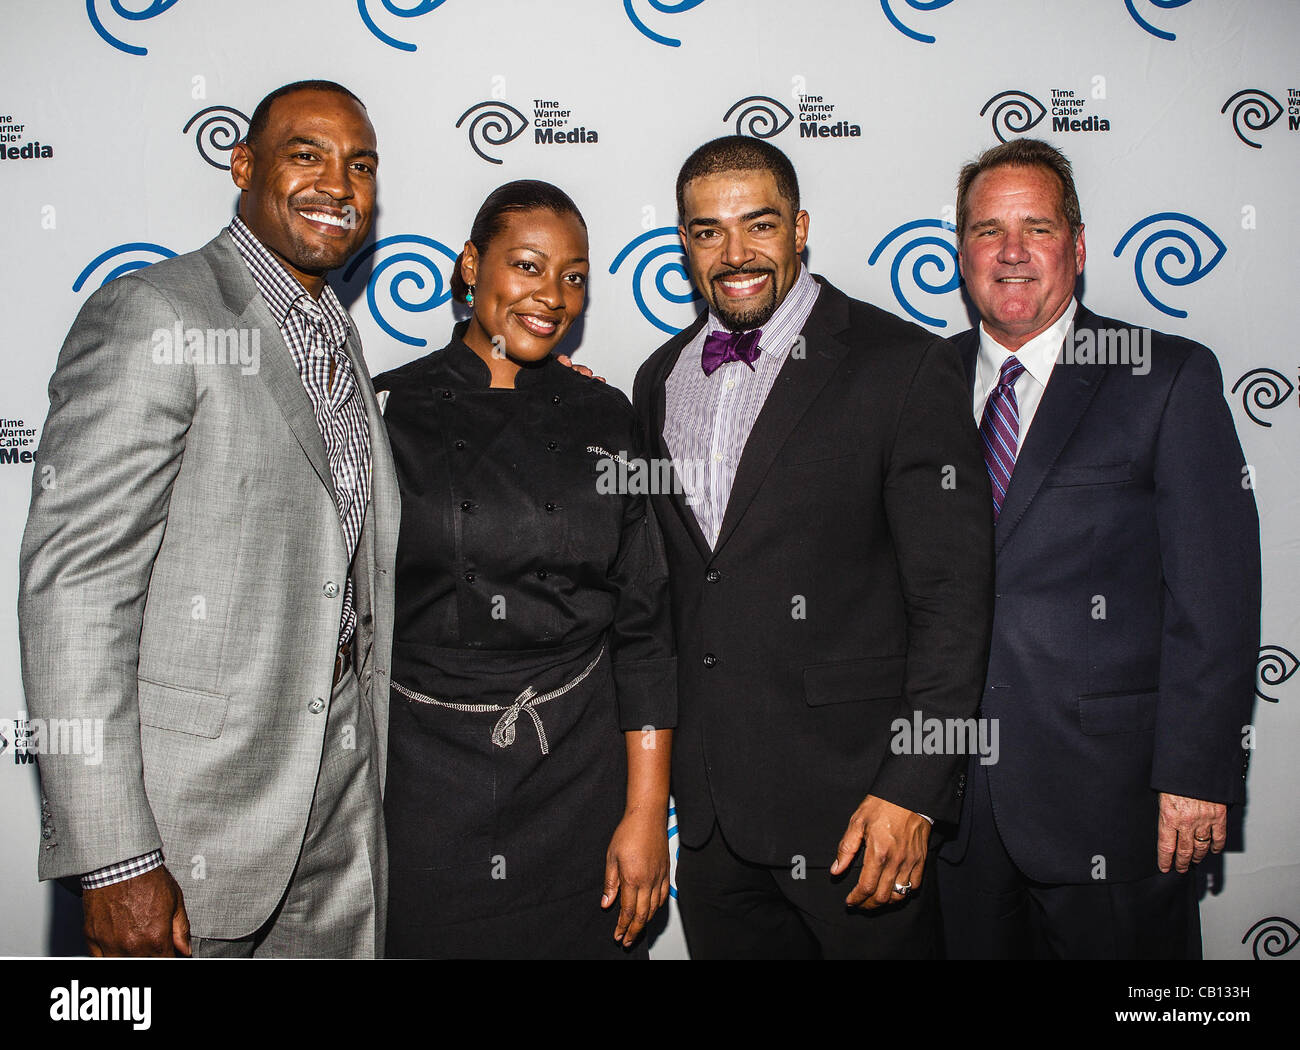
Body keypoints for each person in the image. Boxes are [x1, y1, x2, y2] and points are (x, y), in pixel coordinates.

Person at [17, 80, 399, 958]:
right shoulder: (158, 313)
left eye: (362, 165)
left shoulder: (332, 329)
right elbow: (75, 591)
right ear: (244, 165)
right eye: (307, 154)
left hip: (342, 795)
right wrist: (115, 858)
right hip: (196, 824)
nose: (338, 184)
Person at [631, 136, 994, 959]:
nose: (735, 254)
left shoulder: (902, 364)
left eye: (758, 226)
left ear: (800, 228)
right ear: (683, 243)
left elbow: (955, 601)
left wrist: (914, 791)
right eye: (706, 232)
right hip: (716, 824)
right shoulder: (659, 378)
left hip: (860, 814)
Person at [936, 137, 1261, 959]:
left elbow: (1214, 602)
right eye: (987, 230)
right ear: (960, 250)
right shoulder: (918, 384)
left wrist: (1194, 774)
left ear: (1077, 248)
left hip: (1113, 804)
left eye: (1036, 228)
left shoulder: (1165, 377)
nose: (1011, 252)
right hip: (954, 812)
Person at [374, 180, 676, 959]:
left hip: (576, 770)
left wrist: (645, 814)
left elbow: (645, 626)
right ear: (472, 265)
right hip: (424, 781)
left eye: (574, 276)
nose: (553, 296)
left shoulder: (609, 419)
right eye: (529, 267)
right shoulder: (388, 411)